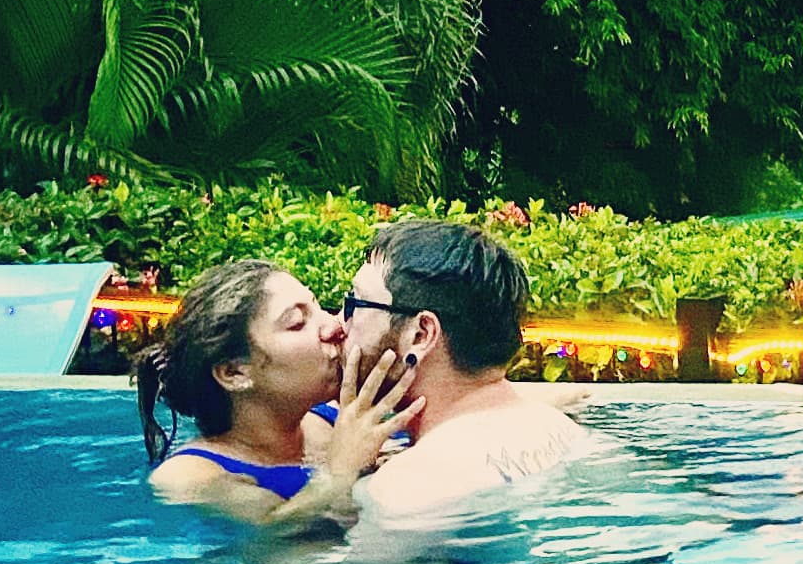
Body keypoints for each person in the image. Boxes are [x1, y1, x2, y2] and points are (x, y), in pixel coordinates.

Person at [342, 219, 606, 527]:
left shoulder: (406, 487)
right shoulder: (568, 432)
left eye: (354, 304)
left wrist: (338, 478)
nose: (338, 324)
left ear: (420, 335)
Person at [139, 258, 416, 531]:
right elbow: (273, 545)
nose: (335, 326)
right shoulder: (192, 476)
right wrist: (339, 473)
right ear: (235, 372)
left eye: (318, 307)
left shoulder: (340, 419)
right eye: (297, 323)